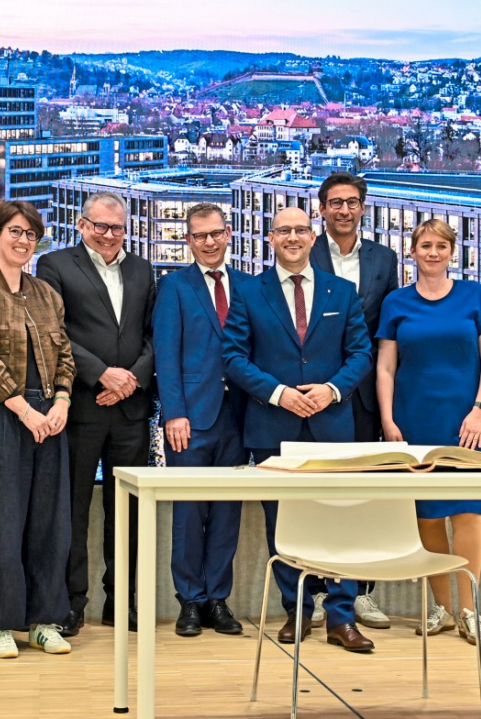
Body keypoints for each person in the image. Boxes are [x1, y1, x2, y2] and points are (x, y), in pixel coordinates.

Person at [223, 206, 375, 653]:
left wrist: (332, 390)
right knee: (283, 526)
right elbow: (233, 358)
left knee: (339, 523)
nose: (293, 237)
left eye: (301, 230)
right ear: (271, 238)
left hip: (332, 424)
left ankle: (341, 618)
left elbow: (361, 354)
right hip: (272, 425)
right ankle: (298, 611)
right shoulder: (249, 293)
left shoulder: (341, 291)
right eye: (283, 230)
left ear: (313, 237)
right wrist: (278, 394)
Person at [0, 200, 76, 658]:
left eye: (30, 234)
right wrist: (26, 412)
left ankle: (44, 621)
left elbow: (65, 355)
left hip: (50, 417)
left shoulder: (47, 294)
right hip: (1, 415)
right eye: (15, 232)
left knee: (50, 525)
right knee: (0, 523)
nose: (23, 241)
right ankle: (0, 624)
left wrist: (61, 400)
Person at [36, 191, 155, 636]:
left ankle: (121, 602)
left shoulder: (142, 269)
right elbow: (54, 332)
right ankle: (71, 603)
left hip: (130, 410)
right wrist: (102, 374)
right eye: (100, 226)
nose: (109, 235)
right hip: (81, 405)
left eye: (117, 227)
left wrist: (132, 379)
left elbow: (153, 333)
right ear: (82, 224)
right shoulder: (55, 265)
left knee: (128, 512)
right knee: (72, 509)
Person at [377, 218, 481, 647]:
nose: (433, 253)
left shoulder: (473, 294)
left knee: (467, 513)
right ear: (412, 251)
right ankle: (443, 609)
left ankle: (470, 611)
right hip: (415, 420)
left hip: (469, 422)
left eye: (441, 246)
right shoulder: (396, 301)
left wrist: (480, 410)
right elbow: (386, 366)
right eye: (425, 246)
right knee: (427, 514)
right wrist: (388, 420)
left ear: (452, 252)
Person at [308, 171, 399, 630]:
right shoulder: (305, 251)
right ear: (322, 208)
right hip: (312, 391)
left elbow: (389, 330)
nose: (344, 210)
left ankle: (361, 591)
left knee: (364, 494)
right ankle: (316, 592)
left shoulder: (384, 258)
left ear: (363, 208)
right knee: (315, 497)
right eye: (336, 202)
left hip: (364, 394)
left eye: (352, 202)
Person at [154, 203, 249, 638]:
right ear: (188, 241)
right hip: (190, 418)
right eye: (199, 236)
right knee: (190, 511)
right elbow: (166, 354)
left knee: (228, 513)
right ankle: (190, 600)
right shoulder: (174, 286)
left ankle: (218, 599)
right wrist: (173, 412)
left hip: (240, 418)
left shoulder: (248, 286)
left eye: (215, 233)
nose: (209, 242)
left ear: (228, 234)